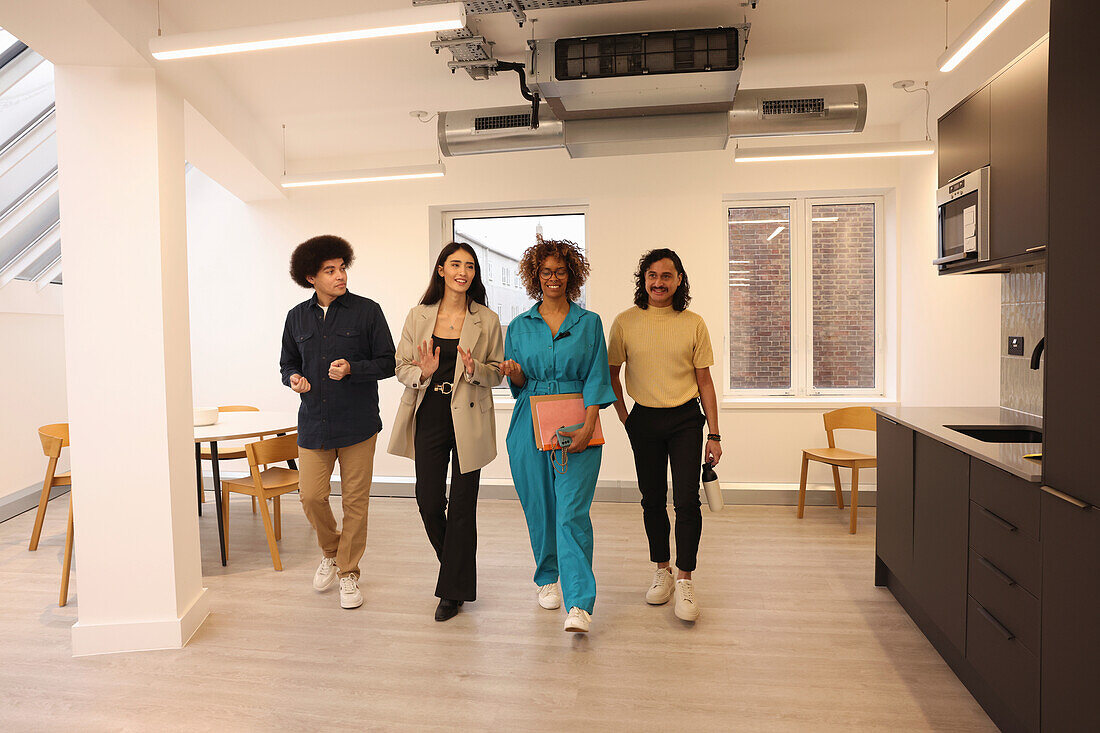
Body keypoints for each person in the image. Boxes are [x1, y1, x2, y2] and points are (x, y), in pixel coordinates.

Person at [500, 236, 616, 634]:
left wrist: (588, 425)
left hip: (576, 423)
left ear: (572, 275)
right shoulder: (518, 326)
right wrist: (515, 374)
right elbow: (519, 383)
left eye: (561, 271)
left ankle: (580, 603)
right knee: (540, 507)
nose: (553, 278)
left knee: (571, 512)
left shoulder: (589, 323)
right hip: (528, 423)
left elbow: (597, 377)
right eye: (546, 272)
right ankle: (547, 576)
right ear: (536, 276)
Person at [388, 242, 504, 622]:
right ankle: (456, 569)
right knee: (428, 499)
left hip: (470, 415)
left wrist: (473, 370)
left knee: (463, 507)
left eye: (470, 266)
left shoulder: (486, 319)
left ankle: (452, 592)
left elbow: (497, 371)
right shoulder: (418, 315)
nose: (463, 271)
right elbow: (401, 367)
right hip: (430, 412)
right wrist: (422, 371)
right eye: (455, 264)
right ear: (441, 270)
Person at [279, 235, 396, 610]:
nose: (340, 275)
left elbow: (388, 362)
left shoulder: (368, 311)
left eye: (342, 267)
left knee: (355, 502)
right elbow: (287, 363)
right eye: (330, 270)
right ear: (310, 277)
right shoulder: (296, 317)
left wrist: (353, 369)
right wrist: (293, 379)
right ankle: (330, 550)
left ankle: (348, 573)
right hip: (314, 421)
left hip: (358, 424)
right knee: (311, 496)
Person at [607, 248, 722, 622]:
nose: (659, 282)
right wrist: (627, 419)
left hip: (687, 420)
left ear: (679, 280)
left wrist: (714, 434)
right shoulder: (625, 322)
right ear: (644, 280)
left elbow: (705, 381)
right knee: (652, 500)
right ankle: (663, 570)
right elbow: (612, 374)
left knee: (687, 501)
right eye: (652, 275)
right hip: (644, 421)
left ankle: (686, 580)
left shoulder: (694, 323)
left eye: (667, 276)